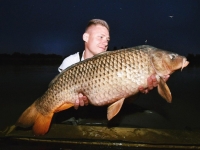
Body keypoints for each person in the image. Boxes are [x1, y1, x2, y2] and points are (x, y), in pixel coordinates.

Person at [58, 19, 162, 109]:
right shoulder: (70, 62)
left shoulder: (115, 64)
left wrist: (137, 92)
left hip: (103, 111)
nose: (106, 42)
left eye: (108, 39)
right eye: (101, 37)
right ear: (86, 37)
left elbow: (126, 100)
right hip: (77, 113)